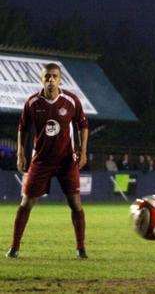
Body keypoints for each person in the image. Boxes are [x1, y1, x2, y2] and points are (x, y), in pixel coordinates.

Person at [5, 63, 90, 259]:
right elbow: (22, 127)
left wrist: (83, 151)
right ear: (41, 79)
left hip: (66, 161)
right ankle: (15, 247)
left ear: (60, 79)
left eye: (54, 76)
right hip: (41, 160)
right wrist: (20, 153)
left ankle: (81, 248)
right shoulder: (33, 102)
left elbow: (83, 125)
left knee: (75, 204)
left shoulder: (70, 100)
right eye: (47, 77)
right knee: (26, 203)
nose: (50, 80)